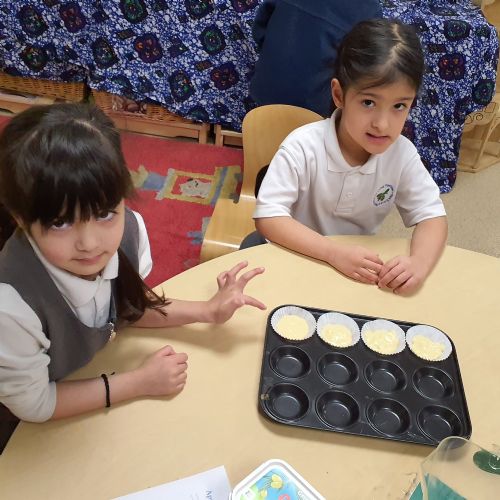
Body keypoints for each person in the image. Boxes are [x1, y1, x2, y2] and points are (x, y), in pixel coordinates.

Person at [0, 103, 266, 438]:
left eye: (105, 213)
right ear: (21, 218)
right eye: (61, 222)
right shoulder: (11, 306)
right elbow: (35, 405)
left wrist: (208, 311)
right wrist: (138, 382)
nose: (90, 243)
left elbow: (128, 307)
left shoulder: (131, 230)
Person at [252, 19, 448, 296]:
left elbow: (433, 217)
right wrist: (332, 252)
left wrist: (419, 263)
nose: (382, 124)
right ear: (339, 94)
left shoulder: (401, 154)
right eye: (368, 102)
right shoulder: (302, 146)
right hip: (296, 258)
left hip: (353, 271)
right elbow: (269, 217)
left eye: (399, 106)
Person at [249, 0, 383, 117]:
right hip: (316, 108)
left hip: (265, 91)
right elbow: (363, 68)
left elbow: (260, 30)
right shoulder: (369, 8)